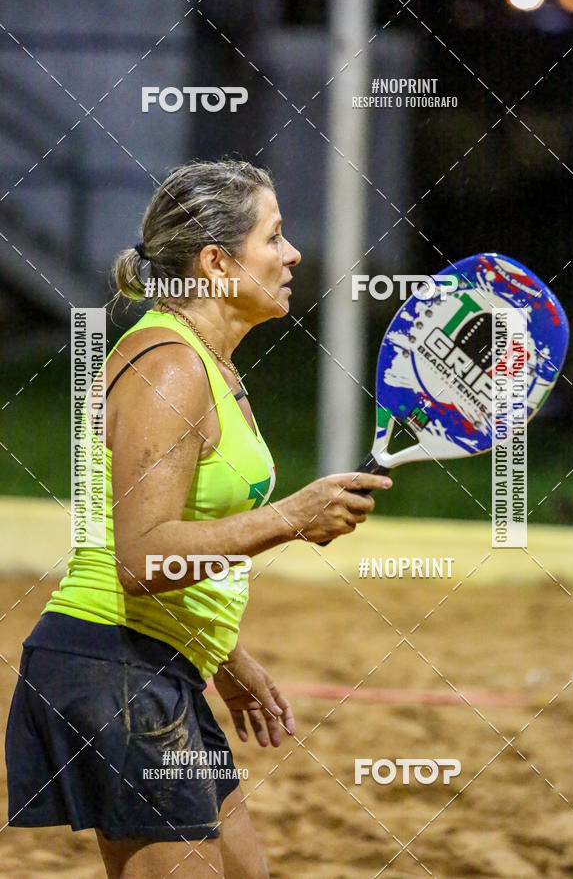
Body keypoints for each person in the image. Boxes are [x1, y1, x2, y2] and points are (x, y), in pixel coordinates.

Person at [5, 159, 392, 878]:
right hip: (112, 668)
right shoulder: (170, 367)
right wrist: (291, 516)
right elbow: (139, 558)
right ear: (217, 262)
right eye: (273, 238)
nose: (293, 254)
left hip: (156, 663)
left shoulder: (206, 363)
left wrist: (226, 656)